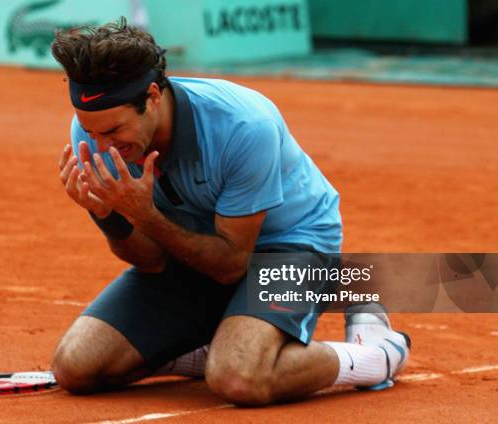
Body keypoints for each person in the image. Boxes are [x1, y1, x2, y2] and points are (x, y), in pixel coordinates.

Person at [50, 18, 410, 405]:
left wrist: (146, 216)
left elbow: (230, 266)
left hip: (288, 246)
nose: (101, 146)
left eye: (113, 132)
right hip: (194, 252)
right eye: (92, 132)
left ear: (153, 96)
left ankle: (377, 355)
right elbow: (153, 262)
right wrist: (108, 215)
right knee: (76, 366)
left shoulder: (243, 125)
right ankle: (226, 340)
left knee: (238, 379)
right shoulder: (90, 133)